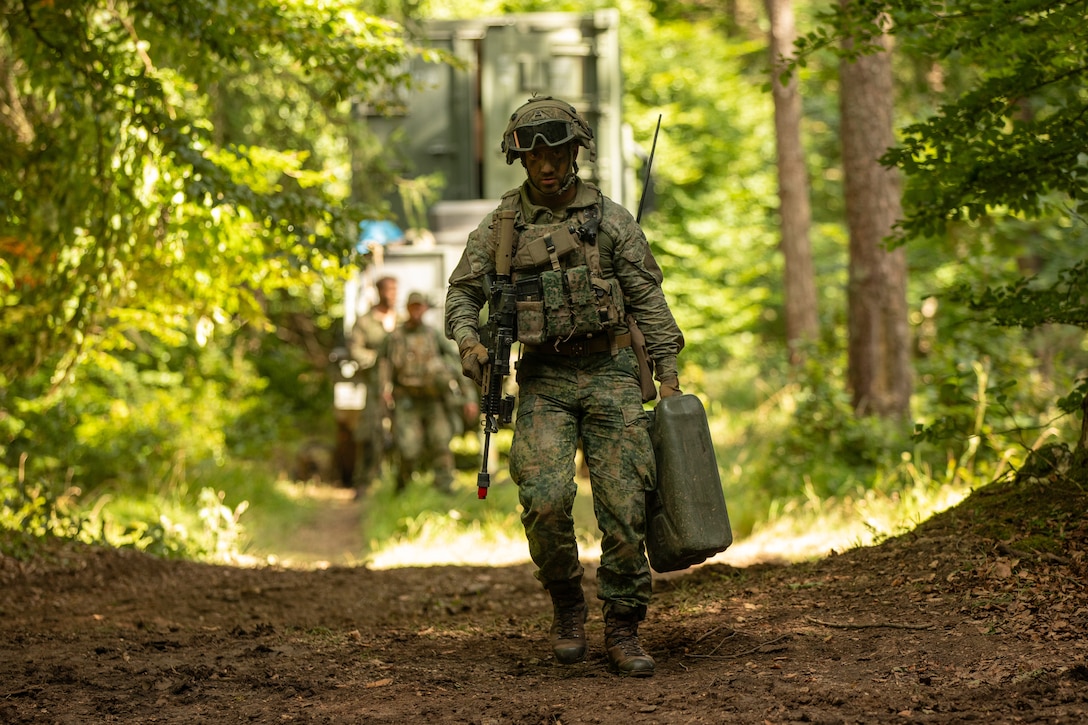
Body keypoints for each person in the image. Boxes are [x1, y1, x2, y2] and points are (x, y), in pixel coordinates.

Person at [444, 95, 685, 677]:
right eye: (535, 157)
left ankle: (624, 626)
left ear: (574, 152)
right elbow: (462, 294)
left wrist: (671, 378)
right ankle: (568, 605)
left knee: (625, 507)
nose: (547, 166)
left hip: (612, 372)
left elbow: (648, 298)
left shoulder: (609, 219)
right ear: (521, 161)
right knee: (545, 502)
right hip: (544, 377)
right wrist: (470, 344)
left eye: (556, 153)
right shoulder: (503, 225)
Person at [381, 291, 462, 493]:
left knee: (441, 442)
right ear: (407, 308)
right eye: (413, 306)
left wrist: (444, 372)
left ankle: (445, 489)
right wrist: (384, 389)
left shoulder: (433, 335)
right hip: (407, 399)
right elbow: (384, 364)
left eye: (420, 306)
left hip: (434, 399)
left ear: (425, 309)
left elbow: (455, 358)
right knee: (408, 448)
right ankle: (403, 486)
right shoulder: (396, 337)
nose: (416, 310)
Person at [349, 275, 399, 496]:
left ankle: (395, 481)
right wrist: (376, 359)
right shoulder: (365, 322)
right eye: (388, 290)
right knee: (370, 432)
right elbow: (355, 350)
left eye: (395, 290)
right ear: (379, 292)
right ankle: (364, 481)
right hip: (374, 386)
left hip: (401, 386)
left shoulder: (402, 320)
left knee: (401, 432)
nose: (392, 294)